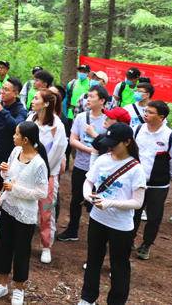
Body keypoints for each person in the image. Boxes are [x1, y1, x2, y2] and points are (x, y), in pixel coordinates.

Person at [78, 123, 146, 305]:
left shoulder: (136, 169)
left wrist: (110, 203)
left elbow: (137, 202)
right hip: (97, 219)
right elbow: (88, 181)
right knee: (93, 260)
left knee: (119, 266)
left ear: (127, 142)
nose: (110, 147)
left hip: (121, 225)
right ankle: (87, 298)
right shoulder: (103, 160)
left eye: (114, 144)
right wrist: (88, 195)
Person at [0, 121, 49, 305]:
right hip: (8, 207)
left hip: (25, 214)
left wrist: (15, 188)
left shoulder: (38, 163)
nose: (13, 137)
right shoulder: (15, 152)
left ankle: (19, 288)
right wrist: (5, 173)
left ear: (26, 139)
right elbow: (10, 178)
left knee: (21, 251)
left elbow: (41, 192)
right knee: (3, 246)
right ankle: (2, 283)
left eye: (16, 134)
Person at [131, 100, 172, 260]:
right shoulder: (137, 129)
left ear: (161, 117)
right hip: (136, 182)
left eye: (151, 112)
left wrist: (167, 176)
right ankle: (128, 239)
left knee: (154, 217)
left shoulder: (171, 138)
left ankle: (146, 245)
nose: (146, 114)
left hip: (158, 185)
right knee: (133, 212)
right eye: (146, 111)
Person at [57, 85, 109, 241]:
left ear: (102, 100)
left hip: (101, 169)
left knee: (97, 200)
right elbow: (72, 140)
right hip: (80, 165)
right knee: (76, 199)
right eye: (88, 96)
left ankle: (98, 235)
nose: (88, 99)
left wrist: (95, 140)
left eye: (92, 96)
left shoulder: (108, 120)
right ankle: (72, 230)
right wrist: (90, 150)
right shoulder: (80, 118)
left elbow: (108, 145)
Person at [28, 89, 67, 264]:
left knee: (46, 211)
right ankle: (23, 240)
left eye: (36, 98)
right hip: (26, 171)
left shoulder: (57, 126)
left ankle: (46, 246)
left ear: (46, 104)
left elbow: (57, 153)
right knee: (26, 208)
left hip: (48, 174)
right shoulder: (30, 119)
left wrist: (40, 169)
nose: (32, 100)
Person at [0, 77, 27, 179]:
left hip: (9, 153)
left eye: (6, 90)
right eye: (2, 88)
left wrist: (2, 110)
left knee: (7, 181)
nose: (2, 92)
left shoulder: (21, 110)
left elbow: (16, 126)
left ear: (16, 93)